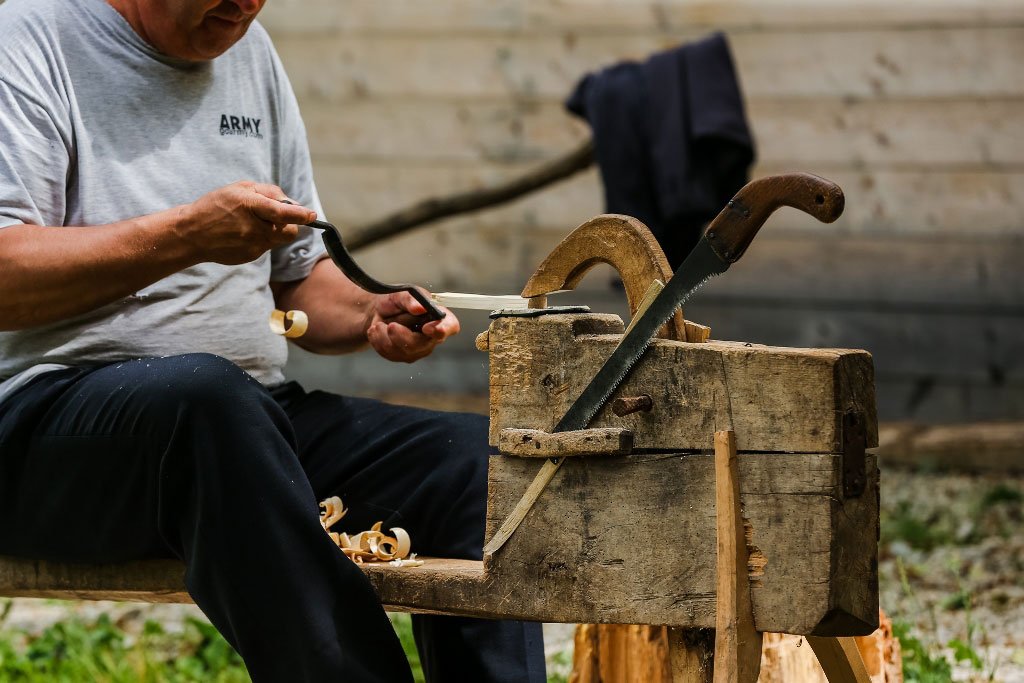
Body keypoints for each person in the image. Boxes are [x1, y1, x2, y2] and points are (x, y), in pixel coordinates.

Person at [0, 0, 545, 680]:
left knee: (473, 465)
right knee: (210, 402)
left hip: (242, 426)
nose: (244, 5)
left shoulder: (248, 50)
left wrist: (370, 311)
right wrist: (187, 236)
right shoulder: (29, 39)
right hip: (47, 432)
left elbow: (299, 279)